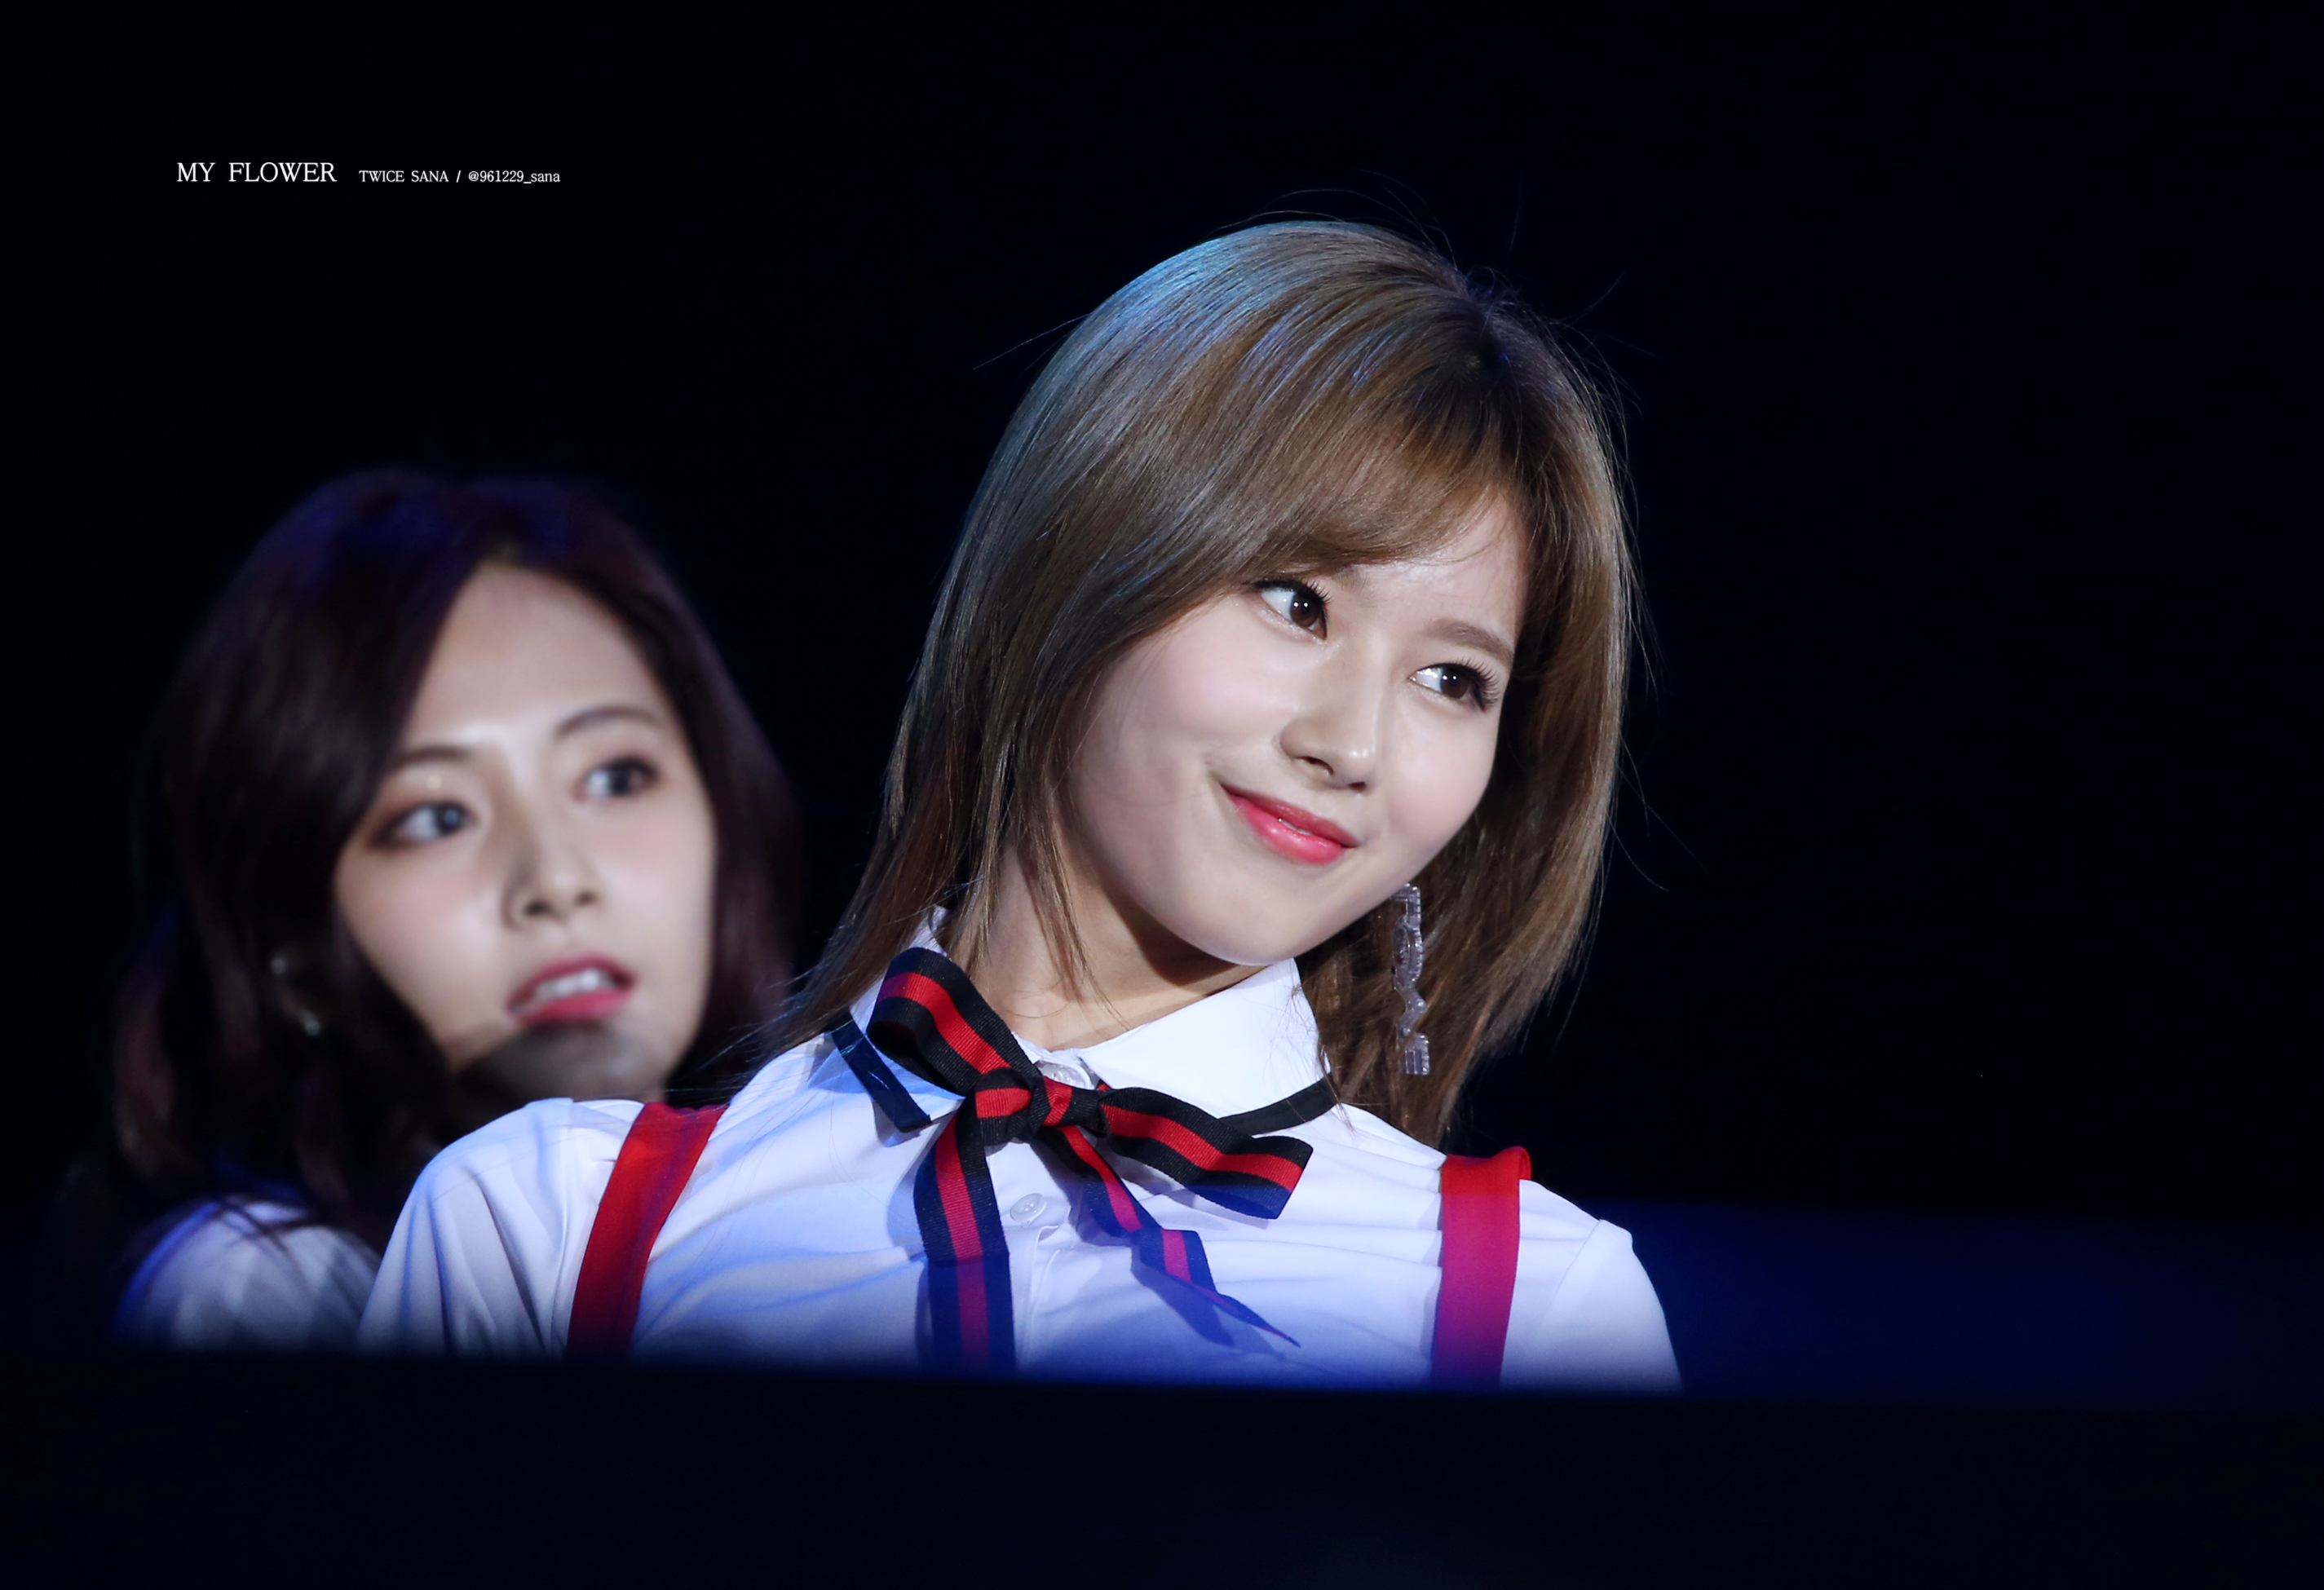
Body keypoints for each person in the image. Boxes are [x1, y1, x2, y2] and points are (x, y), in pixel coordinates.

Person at [362, 224, 1680, 1389]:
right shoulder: (549, 1225)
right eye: (1297, 601)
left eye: (1453, 679)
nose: (1351, 744)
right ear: (1080, 563)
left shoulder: (1534, 1306)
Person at [63, 473, 800, 1351]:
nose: (555, 879)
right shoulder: (265, 1296)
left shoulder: (839, 1232)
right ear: (291, 948)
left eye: (615, 777)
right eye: (436, 818)